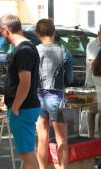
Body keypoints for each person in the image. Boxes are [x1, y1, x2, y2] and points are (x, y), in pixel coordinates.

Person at [0, 14, 41, 169]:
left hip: (23, 108)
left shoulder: (23, 50)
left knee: (27, 155)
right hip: (25, 107)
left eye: (0, 31)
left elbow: (25, 83)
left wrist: (15, 106)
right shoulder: (27, 47)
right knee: (27, 153)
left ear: (5, 30)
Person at [35, 19, 73, 169]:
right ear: (54, 31)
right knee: (61, 138)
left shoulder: (34, 50)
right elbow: (69, 79)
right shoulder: (64, 51)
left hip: (38, 97)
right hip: (58, 98)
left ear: (37, 34)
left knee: (42, 138)